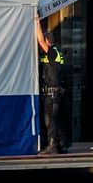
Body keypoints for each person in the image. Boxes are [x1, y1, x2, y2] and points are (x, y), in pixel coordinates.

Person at [36, 26, 66, 155]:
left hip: (52, 93)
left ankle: (52, 147)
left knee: (50, 120)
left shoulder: (52, 52)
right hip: (55, 92)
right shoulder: (56, 52)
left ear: (48, 41)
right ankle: (62, 144)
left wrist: (37, 22)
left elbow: (41, 41)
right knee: (54, 119)